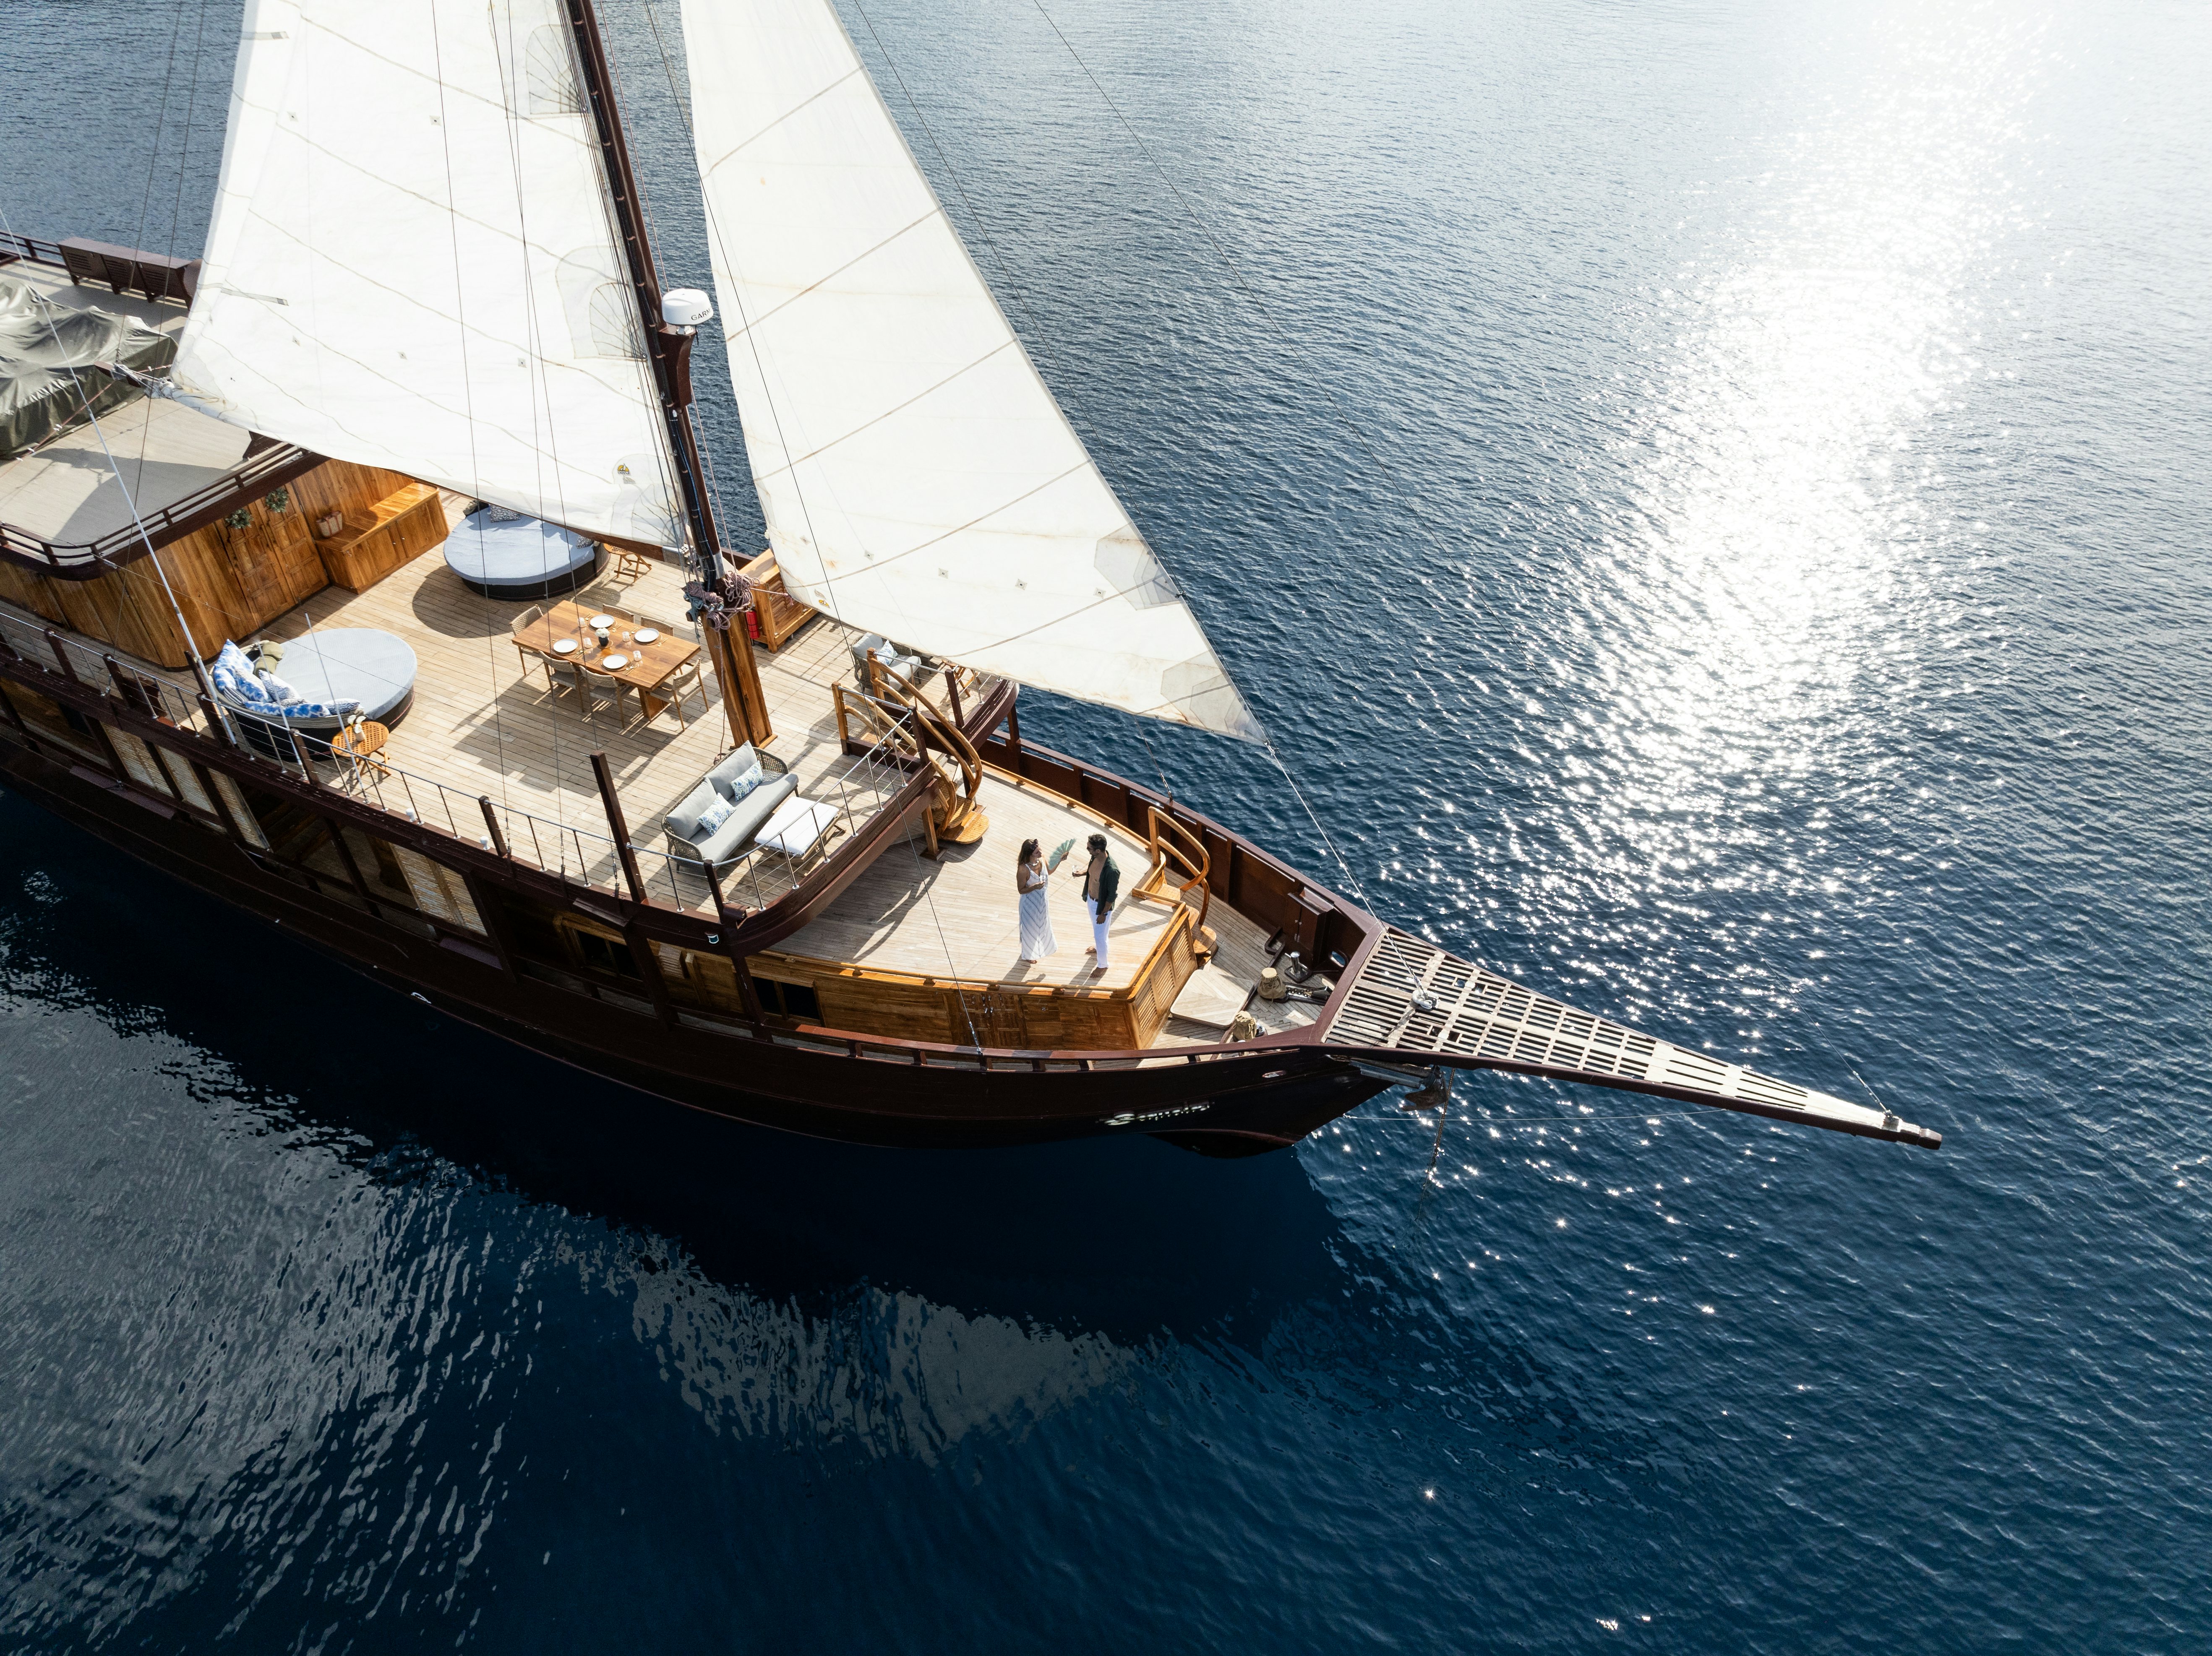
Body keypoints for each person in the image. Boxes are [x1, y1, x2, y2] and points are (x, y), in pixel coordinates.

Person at [1077, 832, 1119, 972]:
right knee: (1100, 932)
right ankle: (1099, 947)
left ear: (1098, 850)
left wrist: (1103, 914)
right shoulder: (1095, 857)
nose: (1087, 849)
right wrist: (1081, 873)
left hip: (1101, 906)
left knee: (1099, 935)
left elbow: (1112, 896)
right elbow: (1092, 874)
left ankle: (1103, 965)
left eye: (1089, 848)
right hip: (1091, 900)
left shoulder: (1112, 870)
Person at [1015, 837, 1056, 963]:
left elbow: (1049, 871)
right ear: (1029, 854)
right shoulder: (1023, 870)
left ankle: (1042, 949)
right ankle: (1028, 954)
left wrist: (1059, 861)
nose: (1040, 853)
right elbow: (1021, 890)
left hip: (1043, 901)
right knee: (1029, 929)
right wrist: (1034, 887)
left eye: (1040, 850)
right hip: (1029, 904)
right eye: (1037, 852)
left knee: (1043, 925)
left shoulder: (1042, 859)